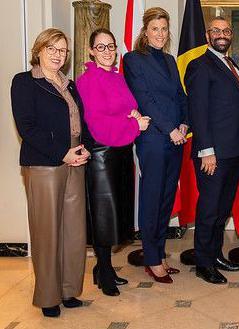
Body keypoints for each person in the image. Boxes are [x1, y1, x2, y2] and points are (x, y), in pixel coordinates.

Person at [11, 28, 91, 317]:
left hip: (74, 160)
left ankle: (69, 290)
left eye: (63, 50)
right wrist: (62, 153)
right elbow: (27, 127)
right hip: (44, 163)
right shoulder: (24, 82)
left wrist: (83, 148)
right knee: (47, 232)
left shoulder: (69, 84)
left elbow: (79, 121)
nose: (58, 55)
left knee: (73, 229)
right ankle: (48, 296)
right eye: (52, 49)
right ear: (39, 50)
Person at [77, 28, 150, 296]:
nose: (108, 52)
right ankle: (104, 270)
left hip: (120, 151)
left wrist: (132, 115)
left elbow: (124, 108)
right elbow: (97, 122)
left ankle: (104, 267)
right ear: (91, 51)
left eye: (111, 47)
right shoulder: (88, 80)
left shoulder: (117, 77)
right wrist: (133, 123)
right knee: (103, 216)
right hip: (101, 155)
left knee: (117, 211)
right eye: (101, 47)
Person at [123, 7, 188, 284]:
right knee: (151, 199)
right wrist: (170, 129)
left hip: (176, 139)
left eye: (164, 29)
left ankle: (159, 254)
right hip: (153, 139)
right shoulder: (133, 59)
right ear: (145, 31)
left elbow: (180, 96)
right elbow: (144, 98)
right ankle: (151, 259)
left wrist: (185, 124)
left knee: (165, 199)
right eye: (155, 29)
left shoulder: (171, 60)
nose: (160, 34)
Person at [185, 16, 239, 284]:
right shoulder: (200, 65)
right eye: (216, 31)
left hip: (234, 151)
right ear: (207, 35)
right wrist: (207, 151)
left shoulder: (230, 63)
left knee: (222, 209)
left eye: (226, 31)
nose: (221, 35)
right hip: (213, 154)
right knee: (209, 209)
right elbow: (198, 112)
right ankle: (204, 263)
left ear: (231, 35)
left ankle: (215, 254)